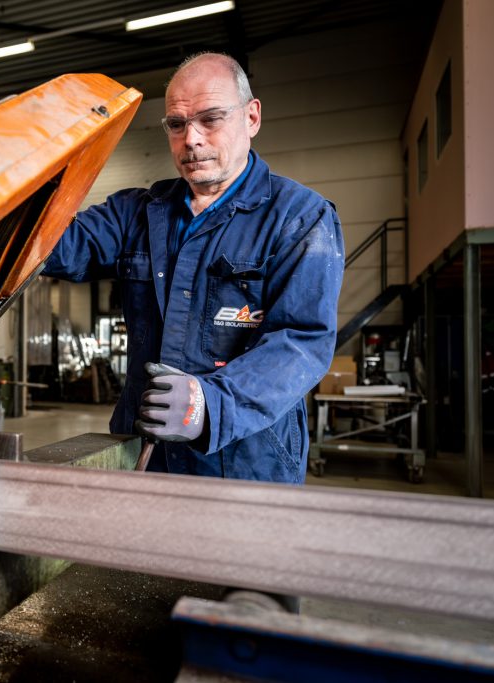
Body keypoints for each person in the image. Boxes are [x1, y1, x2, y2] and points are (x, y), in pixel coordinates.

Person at [39, 52, 343, 482]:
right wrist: (2, 163)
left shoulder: (299, 217)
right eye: (177, 125)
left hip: (246, 460)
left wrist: (209, 404)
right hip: (143, 452)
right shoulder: (136, 214)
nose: (192, 139)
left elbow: (300, 341)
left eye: (210, 119)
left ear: (251, 118)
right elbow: (50, 246)